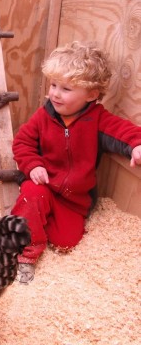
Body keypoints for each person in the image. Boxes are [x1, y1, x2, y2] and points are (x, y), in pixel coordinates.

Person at [11, 41, 141, 284]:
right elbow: (22, 143)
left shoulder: (98, 119)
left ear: (91, 95)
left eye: (66, 89)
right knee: (31, 195)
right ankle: (25, 255)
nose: (55, 94)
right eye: (53, 85)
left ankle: (36, 220)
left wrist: (137, 146)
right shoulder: (43, 115)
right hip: (44, 186)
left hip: (75, 201)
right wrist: (34, 165)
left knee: (65, 242)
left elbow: (125, 131)